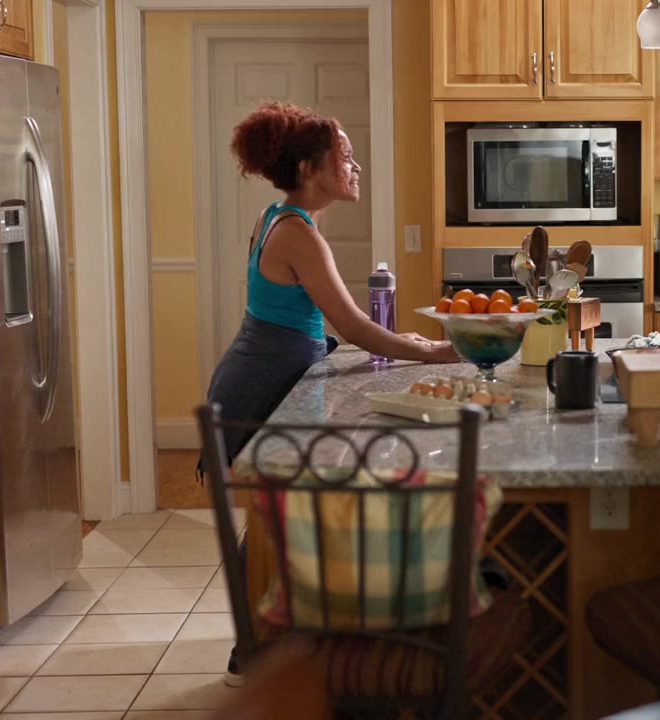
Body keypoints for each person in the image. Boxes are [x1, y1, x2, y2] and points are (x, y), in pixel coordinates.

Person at [203, 101, 459, 686]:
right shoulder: (296, 232)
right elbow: (352, 325)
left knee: (275, 516)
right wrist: (435, 353)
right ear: (310, 168)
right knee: (274, 518)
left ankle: (265, 647)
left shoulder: (281, 217)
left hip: (253, 376)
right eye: (344, 156)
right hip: (258, 386)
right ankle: (254, 655)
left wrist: (405, 342)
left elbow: (318, 323)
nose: (355, 166)